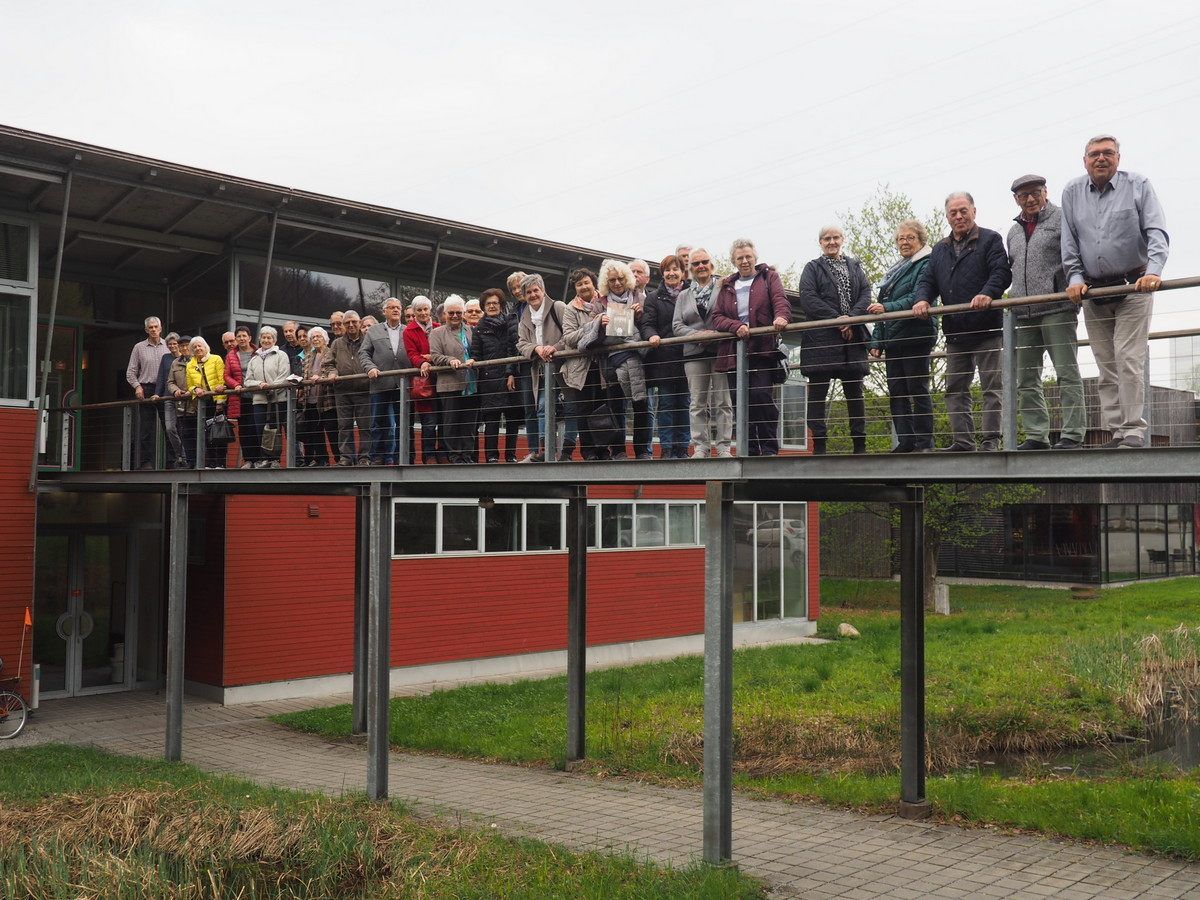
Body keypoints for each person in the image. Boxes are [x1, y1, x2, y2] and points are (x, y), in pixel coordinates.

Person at [1062, 134, 1169, 450]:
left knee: (1128, 358)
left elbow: (1157, 231)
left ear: (1118, 158)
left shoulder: (1138, 184)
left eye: (1107, 153)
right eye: (1094, 154)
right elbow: (1070, 242)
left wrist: (1153, 272)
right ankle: (1116, 431)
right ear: (1085, 160)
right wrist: (1075, 277)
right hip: (1093, 291)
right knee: (1105, 364)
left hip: (1133, 284)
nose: (1100, 158)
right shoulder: (1072, 191)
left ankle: (1134, 429)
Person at [914, 192, 1012, 451]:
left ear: (974, 211)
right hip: (956, 331)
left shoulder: (990, 239)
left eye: (963, 211)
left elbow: (1001, 272)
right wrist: (922, 299)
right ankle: (963, 442)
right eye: (953, 213)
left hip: (987, 327)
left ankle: (991, 440)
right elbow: (928, 280)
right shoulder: (940, 249)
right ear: (947, 217)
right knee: (955, 389)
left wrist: (987, 293)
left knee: (992, 388)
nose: (959, 216)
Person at [1004, 174, 1085, 451]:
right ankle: (1037, 435)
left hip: (1058, 309)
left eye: (1035, 192)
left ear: (1045, 192)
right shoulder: (1013, 231)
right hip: (1024, 314)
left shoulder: (1062, 219)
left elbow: (1076, 257)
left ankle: (1073, 434)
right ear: (1016, 199)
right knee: (1026, 378)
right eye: (1023, 195)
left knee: (1066, 372)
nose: (1030, 199)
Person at [712, 239, 791, 456]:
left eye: (748, 256)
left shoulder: (768, 277)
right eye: (740, 258)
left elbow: (780, 301)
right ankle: (749, 449)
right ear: (734, 261)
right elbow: (717, 317)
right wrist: (736, 326)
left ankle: (768, 448)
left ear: (755, 257)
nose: (745, 261)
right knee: (740, 401)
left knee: (761, 395)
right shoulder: (727, 285)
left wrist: (782, 317)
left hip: (762, 348)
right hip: (733, 353)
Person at [798, 226, 872, 455]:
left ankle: (859, 444)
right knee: (818, 394)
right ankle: (819, 444)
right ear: (820, 242)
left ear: (843, 239)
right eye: (827, 238)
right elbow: (808, 298)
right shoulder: (812, 268)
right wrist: (838, 320)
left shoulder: (855, 266)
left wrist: (850, 319)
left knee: (855, 394)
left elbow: (866, 294)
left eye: (835, 237)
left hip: (852, 341)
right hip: (821, 339)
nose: (831, 242)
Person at [868, 220, 936, 452]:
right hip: (893, 338)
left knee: (917, 388)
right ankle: (905, 441)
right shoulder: (895, 270)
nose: (904, 242)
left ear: (920, 240)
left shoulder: (926, 264)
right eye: (900, 239)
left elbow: (917, 297)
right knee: (897, 391)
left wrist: (886, 309)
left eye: (910, 238)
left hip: (916, 334)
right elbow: (880, 305)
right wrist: (876, 340)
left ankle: (924, 442)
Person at [674, 247, 732, 457]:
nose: (701, 266)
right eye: (696, 264)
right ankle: (701, 446)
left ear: (711, 265)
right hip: (693, 354)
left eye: (704, 262)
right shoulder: (683, 295)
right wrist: (698, 336)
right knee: (697, 402)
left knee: (722, 401)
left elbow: (730, 314)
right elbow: (677, 326)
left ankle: (724, 446)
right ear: (690, 269)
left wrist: (715, 334)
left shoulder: (724, 287)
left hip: (719, 351)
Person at [559, 268, 619, 460]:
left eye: (586, 282)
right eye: (579, 284)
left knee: (603, 407)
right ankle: (588, 451)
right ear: (575, 288)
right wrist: (593, 325)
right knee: (583, 409)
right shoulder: (570, 308)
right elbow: (568, 338)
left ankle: (603, 449)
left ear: (593, 283)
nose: (584, 286)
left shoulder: (606, 301)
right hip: (580, 367)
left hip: (603, 365)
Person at [597, 259, 651, 458]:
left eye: (620, 278)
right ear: (606, 282)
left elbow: (648, 326)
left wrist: (639, 316)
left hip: (638, 360)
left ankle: (642, 451)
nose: (617, 283)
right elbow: (590, 336)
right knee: (616, 407)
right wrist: (600, 326)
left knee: (641, 405)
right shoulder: (599, 303)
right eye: (612, 280)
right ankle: (618, 450)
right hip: (611, 362)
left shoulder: (641, 298)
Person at [641, 254, 691, 458]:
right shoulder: (654, 297)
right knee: (667, 404)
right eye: (668, 270)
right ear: (662, 274)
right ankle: (667, 448)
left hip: (688, 356)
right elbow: (647, 323)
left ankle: (683, 448)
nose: (672, 273)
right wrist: (651, 335)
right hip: (664, 359)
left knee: (685, 405)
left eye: (675, 269)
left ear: (682, 273)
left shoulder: (690, 294)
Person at [514, 274, 568, 462]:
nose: (533, 294)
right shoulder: (525, 316)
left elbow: (570, 333)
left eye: (536, 290)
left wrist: (555, 348)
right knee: (541, 408)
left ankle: (556, 451)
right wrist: (536, 348)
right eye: (528, 292)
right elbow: (521, 343)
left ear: (543, 291)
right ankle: (544, 450)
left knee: (555, 407)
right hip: (539, 370)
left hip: (562, 367)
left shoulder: (558, 307)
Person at [359, 297, 412, 466]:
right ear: (384, 311)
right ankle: (377, 456)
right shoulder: (373, 330)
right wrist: (370, 368)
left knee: (400, 422)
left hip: (402, 385)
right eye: (392, 307)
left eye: (398, 307)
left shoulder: (408, 330)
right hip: (380, 383)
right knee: (377, 422)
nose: (396, 310)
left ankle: (395, 457)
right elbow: (364, 353)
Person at [427, 295, 478, 463]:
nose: (455, 316)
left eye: (458, 312)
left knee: (469, 423)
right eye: (451, 313)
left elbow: (477, 352)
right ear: (445, 314)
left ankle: (467, 455)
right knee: (451, 422)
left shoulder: (471, 330)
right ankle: (455, 455)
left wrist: (474, 359)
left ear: (463, 313)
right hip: (449, 384)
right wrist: (449, 360)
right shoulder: (437, 333)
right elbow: (435, 355)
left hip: (470, 383)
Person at [471, 289, 520, 462]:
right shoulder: (479, 330)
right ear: (483, 307)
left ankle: (511, 455)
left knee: (512, 418)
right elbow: (476, 354)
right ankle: (491, 456)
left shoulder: (510, 324)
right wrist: (472, 360)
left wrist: (511, 372)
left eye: (495, 303)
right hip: (489, 381)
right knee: (491, 420)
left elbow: (514, 349)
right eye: (488, 303)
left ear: (501, 305)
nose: (492, 306)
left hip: (510, 377)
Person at [321, 310, 371, 466]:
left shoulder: (368, 340)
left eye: (354, 322)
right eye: (347, 322)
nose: (351, 325)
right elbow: (328, 364)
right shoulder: (336, 344)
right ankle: (346, 458)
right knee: (344, 426)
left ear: (360, 322)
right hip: (342, 391)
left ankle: (364, 458)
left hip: (364, 390)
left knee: (365, 426)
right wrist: (333, 373)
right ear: (343, 324)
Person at [402, 296, 444, 464]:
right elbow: (412, 354)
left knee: (442, 418)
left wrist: (431, 357)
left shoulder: (438, 327)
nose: (422, 313)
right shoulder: (409, 331)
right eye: (419, 310)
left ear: (430, 310)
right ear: (414, 312)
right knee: (428, 422)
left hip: (441, 379)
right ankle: (429, 455)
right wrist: (423, 361)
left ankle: (442, 454)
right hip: (423, 381)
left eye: (425, 309)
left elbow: (442, 349)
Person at [242, 326, 292, 468]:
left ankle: (275, 460)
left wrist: (271, 388)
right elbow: (247, 381)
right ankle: (264, 458)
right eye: (264, 337)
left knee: (274, 429)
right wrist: (259, 384)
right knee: (260, 430)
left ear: (274, 340)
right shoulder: (254, 358)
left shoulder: (281, 355)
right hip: (259, 400)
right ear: (260, 339)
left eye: (269, 337)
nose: (266, 340)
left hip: (278, 400)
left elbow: (284, 376)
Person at [125, 315, 170, 468]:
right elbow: (130, 372)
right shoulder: (139, 347)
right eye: (150, 327)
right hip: (147, 388)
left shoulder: (169, 346)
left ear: (160, 328)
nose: (153, 329)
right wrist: (137, 386)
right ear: (146, 330)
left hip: (165, 389)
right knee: (146, 429)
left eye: (155, 327)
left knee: (169, 426)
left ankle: (173, 462)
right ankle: (146, 463)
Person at [507, 270, 540, 455]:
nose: (518, 291)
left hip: (541, 361)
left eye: (520, 286)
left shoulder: (540, 306)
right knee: (529, 409)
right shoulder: (512, 314)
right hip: (523, 366)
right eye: (514, 289)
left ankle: (548, 448)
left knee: (543, 406)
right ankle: (534, 450)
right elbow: (511, 345)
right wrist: (510, 371)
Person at [185, 336, 227, 468]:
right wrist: (195, 389)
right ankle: (210, 463)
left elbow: (222, 380)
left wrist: (220, 402)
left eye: (200, 346)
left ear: (205, 346)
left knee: (220, 434)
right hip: (203, 403)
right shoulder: (190, 365)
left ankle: (220, 463)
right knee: (207, 434)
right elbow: (189, 385)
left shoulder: (216, 359)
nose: (198, 348)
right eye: (195, 347)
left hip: (217, 401)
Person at [300, 326, 337, 466]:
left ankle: (339, 459)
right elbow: (306, 375)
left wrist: (321, 377)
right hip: (310, 400)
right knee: (315, 433)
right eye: (313, 337)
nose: (315, 339)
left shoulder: (331, 352)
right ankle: (322, 459)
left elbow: (334, 370)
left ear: (325, 339)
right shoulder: (309, 355)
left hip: (327, 400)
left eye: (318, 336)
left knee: (332, 431)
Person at [153, 332, 186, 468]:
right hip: (168, 397)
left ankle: (184, 458)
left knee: (183, 428)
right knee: (170, 428)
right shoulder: (165, 358)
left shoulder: (186, 358)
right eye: (169, 344)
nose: (172, 346)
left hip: (184, 397)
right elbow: (161, 377)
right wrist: (157, 394)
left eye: (174, 343)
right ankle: (181, 454)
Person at [227, 326, 257, 467]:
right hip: (241, 398)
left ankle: (260, 459)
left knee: (257, 427)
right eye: (239, 336)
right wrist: (235, 385)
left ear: (250, 338)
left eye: (244, 335)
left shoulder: (258, 352)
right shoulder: (232, 355)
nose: (242, 338)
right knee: (244, 429)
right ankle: (249, 460)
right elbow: (226, 375)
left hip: (258, 396)